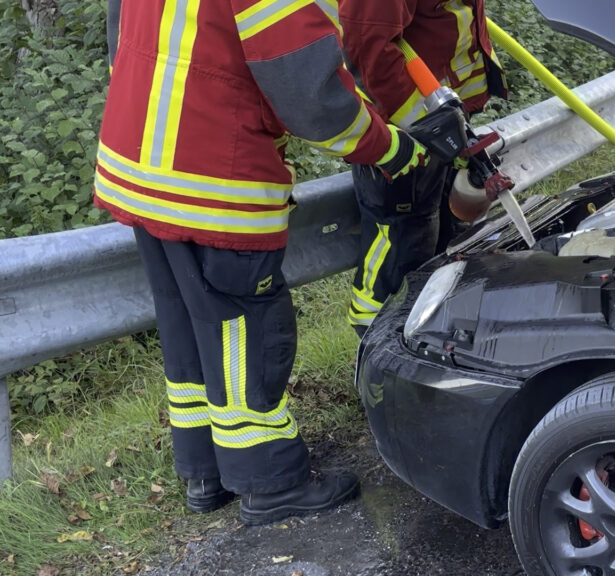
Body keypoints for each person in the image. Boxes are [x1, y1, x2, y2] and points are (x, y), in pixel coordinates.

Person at [94, 0, 427, 525]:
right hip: (212, 178)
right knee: (246, 331)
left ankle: (205, 473)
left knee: (188, 325)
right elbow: (309, 90)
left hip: (136, 163)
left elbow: (124, 40)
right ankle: (270, 480)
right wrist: (388, 148)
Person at [339, 0, 507, 335]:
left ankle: (432, 338)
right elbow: (366, 47)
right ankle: (380, 340)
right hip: (401, 135)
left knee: (443, 245)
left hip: (441, 121)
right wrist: (426, 124)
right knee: (401, 248)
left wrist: (451, 124)